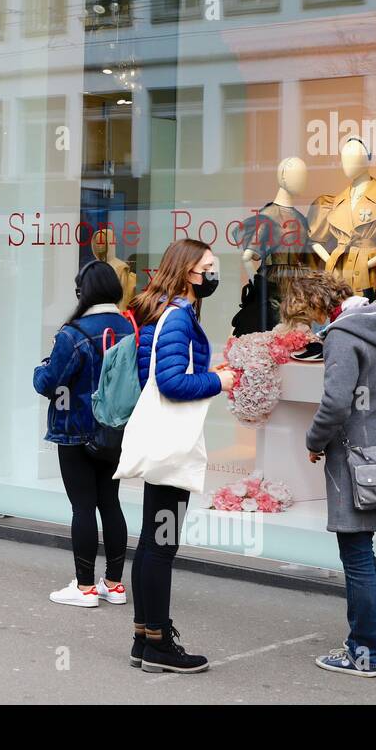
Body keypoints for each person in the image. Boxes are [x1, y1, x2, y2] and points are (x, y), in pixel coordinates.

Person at [127, 239, 236, 673]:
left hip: (163, 437)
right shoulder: (177, 318)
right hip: (173, 441)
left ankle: (143, 637)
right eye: (208, 267)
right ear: (188, 272)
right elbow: (171, 384)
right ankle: (158, 644)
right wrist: (219, 380)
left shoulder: (162, 312)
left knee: (152, 540)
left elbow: (146, 376)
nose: (213, 274)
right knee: (161, 544)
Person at [303, 272, 376, 678]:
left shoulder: (341, 336)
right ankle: (374, 644)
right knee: (364, 551)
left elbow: (334, 403)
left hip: (351, 458)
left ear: (318, 306)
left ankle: (361, 651)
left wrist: (314, 442)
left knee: (357, 554)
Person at [33, 260, 136, 608]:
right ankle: (115, 585)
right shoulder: (128, 327)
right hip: (116, 431)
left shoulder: (73, 333)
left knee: (82, 507)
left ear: (83, 291)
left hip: (75, 431)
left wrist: (41, 366)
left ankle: (85, 587)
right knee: (111, 503)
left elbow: (48, 382)